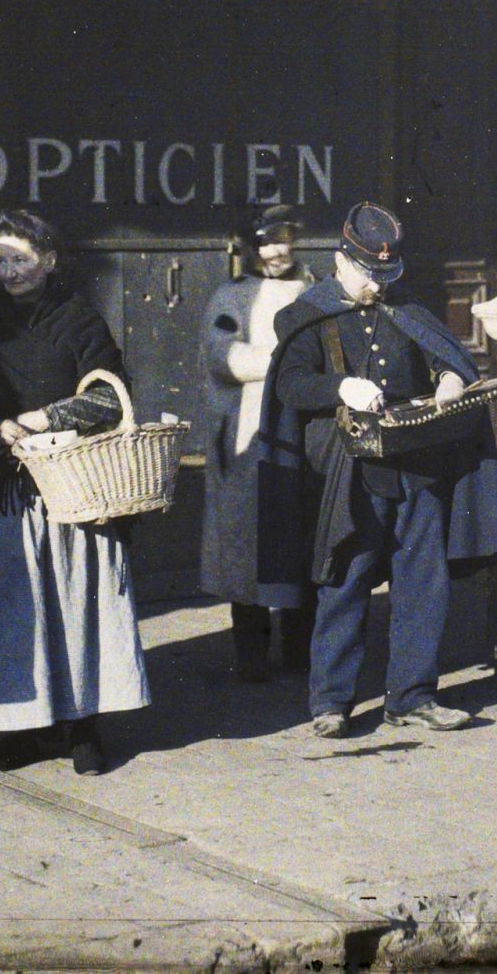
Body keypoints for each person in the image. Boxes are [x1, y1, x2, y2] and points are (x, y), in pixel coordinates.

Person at [258, 201, 497, 739]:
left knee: (423, 581)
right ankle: (331, 702)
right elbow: (290, 384)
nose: (377, 285)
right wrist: (340, 387)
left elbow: (444, 356)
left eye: (385, 274)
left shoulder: (406, 306)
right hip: (350, 469)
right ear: (340, 261)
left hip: (417, 465)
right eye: (367, 275)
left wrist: (451, 376)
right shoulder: (307, 314)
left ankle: (412, 697)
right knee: (346, 578)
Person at [0, 208, 149, 776]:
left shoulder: (79, 319)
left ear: (50, 260)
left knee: (77, 605)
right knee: (14, 610)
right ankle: (23, 726)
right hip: (7, 489)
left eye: (22, 259)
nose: (10, 271)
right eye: (1, 260)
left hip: (73, 486)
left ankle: (83, 728)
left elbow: (111, 396)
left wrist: (44, 417)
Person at [198, 205, 317, 682]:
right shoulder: (231, 296)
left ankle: (299, 649)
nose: (276, 251)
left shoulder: (312, 289)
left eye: (283, 239)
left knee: (299, 541)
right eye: (266, 242)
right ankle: (251, 653)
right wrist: (289, 361)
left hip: (301, 431)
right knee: (244, 548)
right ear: (251, 248)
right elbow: (225, 356)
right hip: (248, 434)